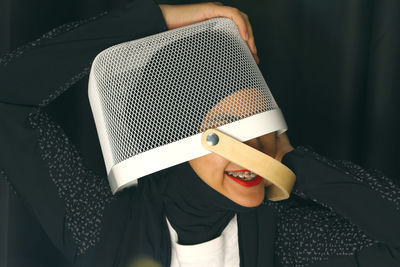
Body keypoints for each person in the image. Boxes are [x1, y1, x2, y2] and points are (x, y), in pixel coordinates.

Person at [0, 2, 399, 267]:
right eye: (228, 127)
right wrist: (161, 19)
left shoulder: (284, 239)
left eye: (261, 125)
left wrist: (295, 164)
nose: (254, 145)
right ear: (168, 140)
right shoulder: (99, 227)